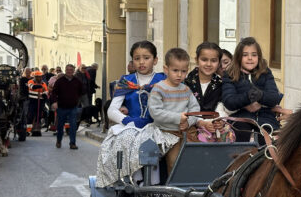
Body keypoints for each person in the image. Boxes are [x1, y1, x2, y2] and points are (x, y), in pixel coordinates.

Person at [96, 41, 167, 187]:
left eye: (146, 58)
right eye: (137, 58)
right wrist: (128, 121)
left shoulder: (163, 80)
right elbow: (112, 110)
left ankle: (155, 184)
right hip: (131, 126)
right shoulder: (126, 81)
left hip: (157, 125)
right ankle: (134, 180)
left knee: (155, 142)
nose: (141, 62)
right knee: (126, 139)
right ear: (132, 61)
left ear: (155, 60)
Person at [148, 48, 201, 175]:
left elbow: (195, 109)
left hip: (187, 131)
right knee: (174, 163)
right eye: (175, 70)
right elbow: (155, 112)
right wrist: (178, 118)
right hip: (167, 133)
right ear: (166, 69)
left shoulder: (186, 89)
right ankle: (173, 190)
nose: (179, 75)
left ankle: (191, 188)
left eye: (183, 71)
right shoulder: (159, 89)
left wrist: (188, 122)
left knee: (195, 160)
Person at [222, 37, 283, 142]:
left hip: (265, 117)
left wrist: (260, 96)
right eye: (245, 55)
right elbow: (229, 101)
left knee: (266, 139)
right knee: (241, 134)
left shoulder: (265, 72)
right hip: (241, 118)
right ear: (238, 57)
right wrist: (247, 97)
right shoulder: (230, 74)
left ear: (258, 57)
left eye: (254, 55)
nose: (250, 58)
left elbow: (274, 98)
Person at [184, 42, 232, 142]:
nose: (209, 64)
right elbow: (183, 108)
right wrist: (201, 122)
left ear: (219, 63)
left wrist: (219, 121)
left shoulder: (221, 84)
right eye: (204, 60)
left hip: (214, 124)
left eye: (213, 60)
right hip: (191, 124)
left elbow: (222, 107)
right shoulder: (186, 83)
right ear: (196, 60)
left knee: (228, 135)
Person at [51, 64, 83, 149]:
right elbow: (54, 93)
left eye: (71, 70)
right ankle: (59, 140)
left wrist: (76, 99)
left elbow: (81, 91)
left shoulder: (77, 81)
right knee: (60, 126)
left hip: (73, 107)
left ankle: (72, 143)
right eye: (67, 69)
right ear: (65, 70)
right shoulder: (60, 81)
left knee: (73, 126)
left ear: (73, 71)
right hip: (61, 107)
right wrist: (54, 102)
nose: (69, 71)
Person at [27, 70, 48, 136]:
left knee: (38, 116)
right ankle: (28, 130)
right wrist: (40, 87)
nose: (39, 78)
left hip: (40, 102)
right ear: (35, 77)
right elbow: (32, 87)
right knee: (30, 115)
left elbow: (46, 92)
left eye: (40, 77)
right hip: (32, 101)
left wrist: (44, 95)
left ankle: (36, 129)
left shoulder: (43, 83)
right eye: (38, 77)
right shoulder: (30, 81)